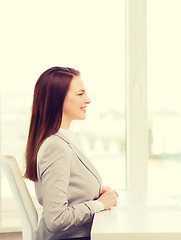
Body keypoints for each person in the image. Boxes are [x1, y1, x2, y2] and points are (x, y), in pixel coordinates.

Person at [24, 67, 118, 240]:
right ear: (58, 99)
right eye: (80, 94)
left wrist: (94, 194)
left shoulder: (63, 141)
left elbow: (69, 190)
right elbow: (57, 219)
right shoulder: (55, 147)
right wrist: (98, 205)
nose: (88, 100)